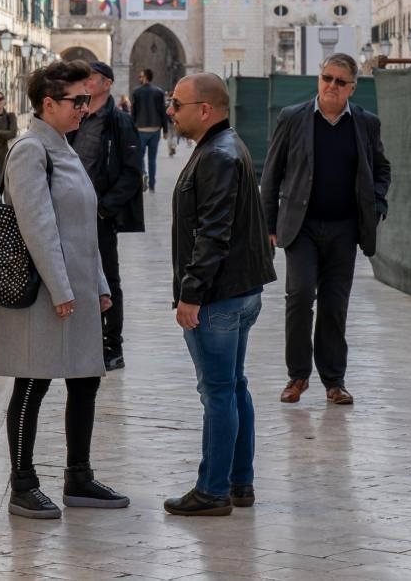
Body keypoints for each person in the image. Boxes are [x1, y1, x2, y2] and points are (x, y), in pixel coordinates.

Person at [0, 59, 128, 520]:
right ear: (47, 103)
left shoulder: (64, 146)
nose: (85, 109)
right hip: (43, 290)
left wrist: (101, 284)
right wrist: (61, 288)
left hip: (77, 286)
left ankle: (79, 476)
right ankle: (23, 483)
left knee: (85, 379)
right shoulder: (31, 149)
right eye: (77, 101)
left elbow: (82, 225)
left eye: (87, 100)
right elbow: (38, 226)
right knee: (33, 381)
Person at [164, 73, 275, 517]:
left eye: (177, 103)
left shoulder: (218, 156)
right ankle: (239, 482)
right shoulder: (224, 147)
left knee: (217, 391)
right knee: (233, 387)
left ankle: (212, 491)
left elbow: (213, 233)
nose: (170, 111)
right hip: (238, 292)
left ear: (205, 110)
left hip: (219, 297)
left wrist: (191, 294)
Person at [262, 53, 391, 407]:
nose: (331, 86)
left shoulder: (366, 124)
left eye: (339, 81)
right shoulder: (293, 118)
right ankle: (297, 377)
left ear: (352, 87)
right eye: (326, 78)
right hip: (300, 227)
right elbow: (271, 174)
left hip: (345, 229)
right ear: (319, 79)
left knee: (335, 305)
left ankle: (334, 381)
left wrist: (376, 203)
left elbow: (381, 169)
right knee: (300, 296)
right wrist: (269, 224)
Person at [71, 61, 144, 372]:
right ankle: (81, 341)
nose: (87, 82)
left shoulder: (119, 122)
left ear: (107, 84)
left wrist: (104, 207)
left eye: (93, 78)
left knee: (108, 280)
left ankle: (113, 344)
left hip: (99, 214)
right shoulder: (75, 116)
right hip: (71, 212)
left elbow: (132, 171)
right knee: (74, 277)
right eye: (85, 78)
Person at [130, 68, 167, 192]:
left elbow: (133, 114)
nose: (139, 78)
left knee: (139, 157)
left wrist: (131, 129)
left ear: (145, 77)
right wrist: (165, 130)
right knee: (152, 159)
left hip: (140, 129)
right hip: (155, 129)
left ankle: (143, 174)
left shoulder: (136, 92)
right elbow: (162, 112)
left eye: (141, 76)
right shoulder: (159, 92)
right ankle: (152, 185)